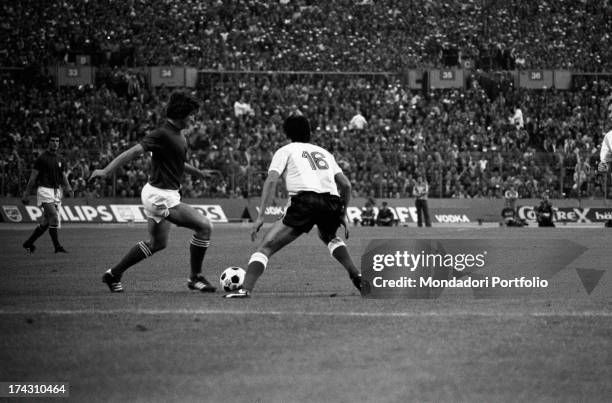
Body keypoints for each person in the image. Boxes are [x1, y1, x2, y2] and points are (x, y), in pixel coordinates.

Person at [89, 91, 216, 293]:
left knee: (157, 243)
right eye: (192, 114)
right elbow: (133, 152)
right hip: (159, 196)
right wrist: (106, 171)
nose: (194, 118)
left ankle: (114, 274)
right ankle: (195, 277)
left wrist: (199, 173)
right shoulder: (162, 134)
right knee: (204, 226)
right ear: (182, 114)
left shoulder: (179, 136)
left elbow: (178, 163)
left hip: (165, 194)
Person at [225, 115, 362, 298]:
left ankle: (245, 289)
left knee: (266, 246)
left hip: (305, 201)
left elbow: (272, 179)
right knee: (328, 236)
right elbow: (346, 185)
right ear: (310, 132)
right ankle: (357, 275)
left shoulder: (285, 150)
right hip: (331, 202)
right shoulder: (325, 153)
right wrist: (342, 214)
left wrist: (260, 217)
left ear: (287, 133)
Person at [22, 135, 73, 253]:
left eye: (57, 141)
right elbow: (33, 177)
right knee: (54, 217)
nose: (55, 143)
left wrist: (68, 188)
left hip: (56, 192)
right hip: (44, 190)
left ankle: (28, 243)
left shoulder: (60, 159)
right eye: (53, 141)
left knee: (46, 222)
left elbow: (63, 175)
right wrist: (27, 193)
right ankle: (57, 247)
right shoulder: (42, 158)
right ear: (48, 143)